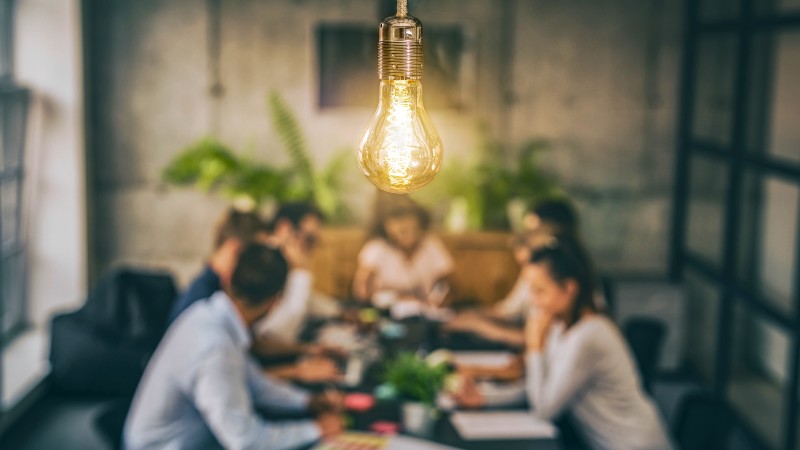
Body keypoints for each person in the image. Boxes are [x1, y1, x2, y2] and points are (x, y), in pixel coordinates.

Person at [124, 243, 343, 450]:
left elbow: (254, 382)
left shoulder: (209, 315)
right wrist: (316, 430)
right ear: (275, 302)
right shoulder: (214, 348)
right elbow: (245, 442)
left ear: (228, 279)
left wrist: (306, 402)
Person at [522, 234, 673, 450]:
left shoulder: (589, 336)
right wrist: (485, 399)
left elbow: (544, 410)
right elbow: (538, 384)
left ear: (569, 289)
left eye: (540, 291)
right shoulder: (561, 326)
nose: (532, 301)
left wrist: (534, 348)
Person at [169, 206, 340, 383]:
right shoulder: (203, 303)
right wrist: (297, 372)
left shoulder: (219, 292)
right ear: (235, 250)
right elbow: (230, 378)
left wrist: (307, 350)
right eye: (253, 256)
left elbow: (252, 345)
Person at [352, 193, 454, 305]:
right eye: (401, 231)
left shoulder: (431, 245)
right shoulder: (377, 248)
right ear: (387, 229)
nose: (406, 236)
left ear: (419, 224)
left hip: (424, 312)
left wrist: (438, 300)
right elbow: (361, 288)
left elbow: (449, 284)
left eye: (411, 229)